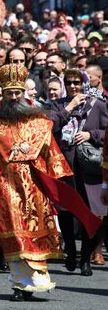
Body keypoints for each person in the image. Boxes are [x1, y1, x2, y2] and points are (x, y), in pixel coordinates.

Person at [0, 64, 102, 301]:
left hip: (35, 185)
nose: (13, 97)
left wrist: (61, 186)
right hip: (7, 186)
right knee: (15, 235)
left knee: (35, 232)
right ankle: (20, 285)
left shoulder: (40, 123)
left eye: (17, 93)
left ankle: (37, 280)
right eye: (9, 93)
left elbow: (52, 154)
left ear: (24, 93)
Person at [49, 68, 108, 275]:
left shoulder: (97, 104)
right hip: (63, 165)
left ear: (84, 82)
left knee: (87, 213)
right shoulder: (59, 104)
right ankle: (71, 252)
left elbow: (105, 131)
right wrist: (70, 107)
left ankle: (85, 258)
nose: (73, 86)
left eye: (77, 82)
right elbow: (50, 125)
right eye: (70, 82)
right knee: (65, 211)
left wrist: (90, 134)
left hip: (87, 167)